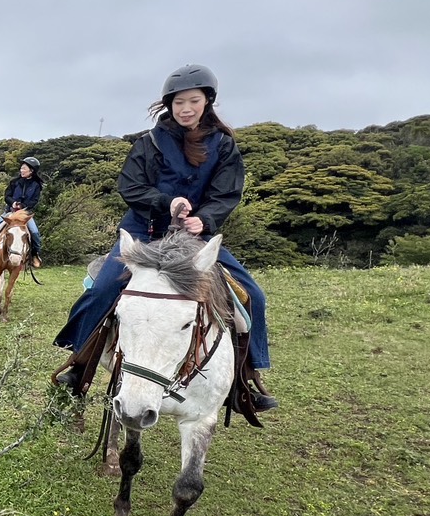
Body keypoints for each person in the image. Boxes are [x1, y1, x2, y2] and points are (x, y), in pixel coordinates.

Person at [52, 64, 277, 410]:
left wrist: (205, 219)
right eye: (178, 102)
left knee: (252, 297)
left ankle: (243, 380)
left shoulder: (224, 146)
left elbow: (226, 193)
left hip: (192, 240)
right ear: (168, 105)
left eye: (193, 101)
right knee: (103, 290)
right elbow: (130, 186)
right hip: (145, 234)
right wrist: (165, 202)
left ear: (207, 102)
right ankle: (79, 365)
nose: (185, 109)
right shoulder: (149, 142)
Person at [0, 156, 44, 268]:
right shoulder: (14, 182)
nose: (21, 170)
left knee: (34, 232)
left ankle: (35, 255)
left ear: (31, 171)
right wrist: (13, 203)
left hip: (25, 214)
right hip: (10, 212)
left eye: (24, 168)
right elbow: (7, 196)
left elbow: (34, 201)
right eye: (21, 168)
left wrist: (23, 206)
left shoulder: (36, 185)